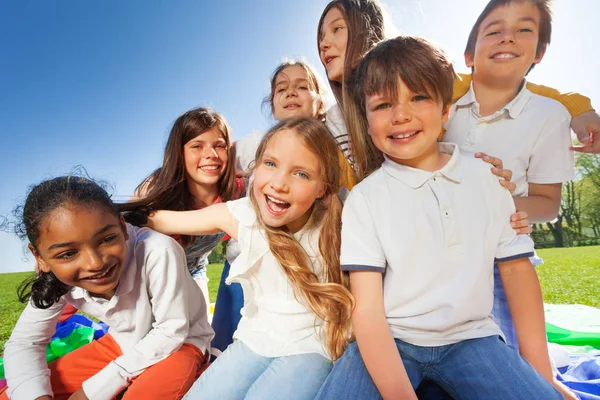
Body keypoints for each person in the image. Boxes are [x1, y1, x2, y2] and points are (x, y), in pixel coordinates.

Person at [316, 36, 574, 400]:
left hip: (473, 338)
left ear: (445, 111)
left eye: (418, 97)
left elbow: (517, 272)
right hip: (392, 339)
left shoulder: (487, 179)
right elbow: (369, 310)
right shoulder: (365, 199)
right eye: (383, 104)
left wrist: (543, 376)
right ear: (367, 122)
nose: (400, 115)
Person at [147, 118, 353, 400]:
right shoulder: (243, 214)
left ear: (323, 188)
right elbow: (163, 220)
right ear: (255, 167)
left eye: (301, 174)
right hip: (254, 339)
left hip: (313, 348)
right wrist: (128, 211)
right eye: (270, 164)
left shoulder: (339, 221)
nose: (279, 184)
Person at [317, 0, 600, 174]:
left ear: (366, 27)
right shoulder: (335, 118)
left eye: (337, 29)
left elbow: (504, 86)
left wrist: (579, 109)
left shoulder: (424, 81)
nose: (324, 43)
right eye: (320, 36)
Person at [1, 176, 213, 400]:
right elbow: (25, 342)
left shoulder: (158, 250)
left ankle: (202, 374)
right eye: (68, 253)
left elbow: (171, 331)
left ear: (122, 227)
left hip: (182, 344)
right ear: (39, 257)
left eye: (107, 239)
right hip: (122, 343)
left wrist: (91, 391)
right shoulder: (54, 279)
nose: (95, 263)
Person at [444, 0, 575, 349]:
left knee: (513, 358)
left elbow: (548, 205)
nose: (508, 38)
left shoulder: (550, 116)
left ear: (539, 52)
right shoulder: (439, 106)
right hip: (438, 256)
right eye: (494, 30)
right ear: (469, 55)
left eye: (524, 30)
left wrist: (497, 201)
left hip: (504, 261)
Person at [213, 60, 356, 353]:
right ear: (273, 106)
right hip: (249, 265)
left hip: (312, 266)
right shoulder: (253, 145)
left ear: (321, 104)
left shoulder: (335, 138)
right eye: (282, 88)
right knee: (233, 349)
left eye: (303, 86)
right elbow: (209, 158)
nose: (291, 92)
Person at [125, 107, 244, 312]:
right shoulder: (156, 188)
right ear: (179, 152)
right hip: (149, 276)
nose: (211, 154)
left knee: (201, 336)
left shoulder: (237, 189)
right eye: (197, 146)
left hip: (195, 268)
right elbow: (124, 231)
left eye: (220, 145)